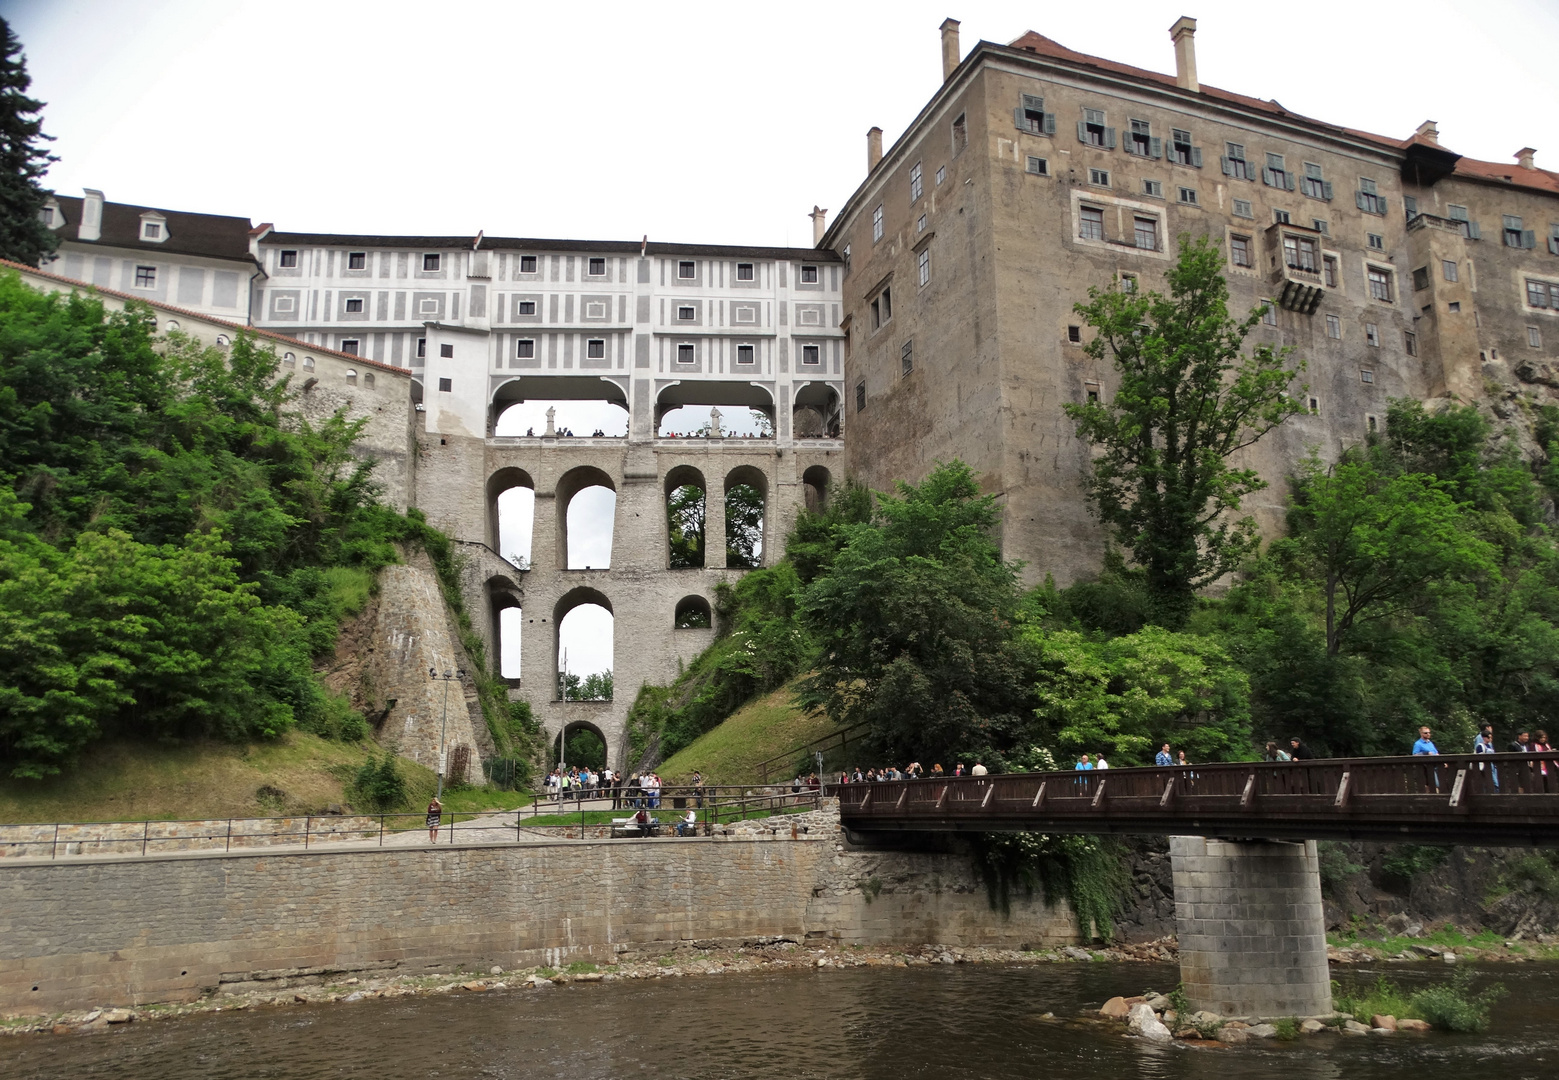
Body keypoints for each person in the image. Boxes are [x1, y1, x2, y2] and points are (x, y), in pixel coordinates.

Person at [1473, 724, 1500, 792]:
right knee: (1490, 783)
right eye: (1489, 737)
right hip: (1484, 767)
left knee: (1495, 783)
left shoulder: (1489, 745)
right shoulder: (1480, 744)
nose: (1491, 739)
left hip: (1492, 766)